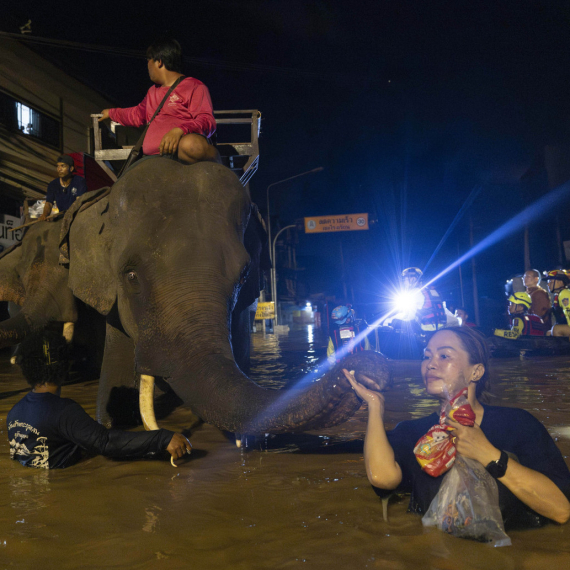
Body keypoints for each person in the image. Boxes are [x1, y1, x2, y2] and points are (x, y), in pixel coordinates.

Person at [343, 326, 570, 530]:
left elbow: (561, 510)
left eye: (444, 355)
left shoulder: (517, 423)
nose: (430, 364)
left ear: (476, 372)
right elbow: (382, 478)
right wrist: (375, 406)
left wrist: (487, 454)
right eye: (426, 356)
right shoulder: (412, 430)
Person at [7, 331, 191, 469]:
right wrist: (163, 438)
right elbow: (106, 443)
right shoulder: (64, 412)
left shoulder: (13, 414)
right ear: (63, 366)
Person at [99, 38, 219, 164]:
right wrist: (111, 113)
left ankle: (218, 171)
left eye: (148, 61)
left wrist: (180, 130)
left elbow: (207, 120)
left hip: (181, 154)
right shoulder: (152, 91)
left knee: (190, 145)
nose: (147, 66)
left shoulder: (195, 86)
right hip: (151, 158)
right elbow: (136, 114)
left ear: (159, 62)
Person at [38, 155, 87, 221]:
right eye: (58, 166)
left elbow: (79, 202)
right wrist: (44, 215)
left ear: (71, 168)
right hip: (62, 217)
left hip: (77, 216)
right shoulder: (53, 184)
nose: (59, 169)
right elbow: (49, 203)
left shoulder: (79, 181)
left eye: (63, 166)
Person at [401, 267, 447, 332]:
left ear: (413, 279)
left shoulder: (415, 292)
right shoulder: (430, 290)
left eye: (405, 279)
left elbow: (410, 317)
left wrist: (391, 320)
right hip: (440, 328)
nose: (404, 282)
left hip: (425, 329)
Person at [544, 269, 570, 337]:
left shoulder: (564, 293)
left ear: (560, 282)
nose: (548, 284)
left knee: (556, 329)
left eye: (551, 281)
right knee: (549, 332)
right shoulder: (558, 295)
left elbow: (569, 312)